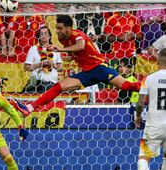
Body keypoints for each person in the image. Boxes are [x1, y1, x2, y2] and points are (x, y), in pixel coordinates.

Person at [12, 15, 140, 116]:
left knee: (126, 86)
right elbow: (74, 55)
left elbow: (80, 46)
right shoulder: (63, 39)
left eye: (60, 28)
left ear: (68, 28)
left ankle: (148, 86)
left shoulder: (78, 34)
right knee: (58, 87)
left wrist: (60, 50)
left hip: (100, 68)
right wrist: (62, 56)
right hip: (86, 74)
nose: (57, 31)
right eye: (56, 28)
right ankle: (29, 108)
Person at [23, 27, 62, 93]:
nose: (44, 35)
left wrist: (52, 64)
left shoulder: (55, 49)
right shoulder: (33, 49)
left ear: (50, 36)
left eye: (46, 33)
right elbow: (26, 67)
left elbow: (60, 68)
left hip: (52, 82)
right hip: (37, 83)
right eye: (41, 34)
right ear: (38, 36)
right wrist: (40, 64)